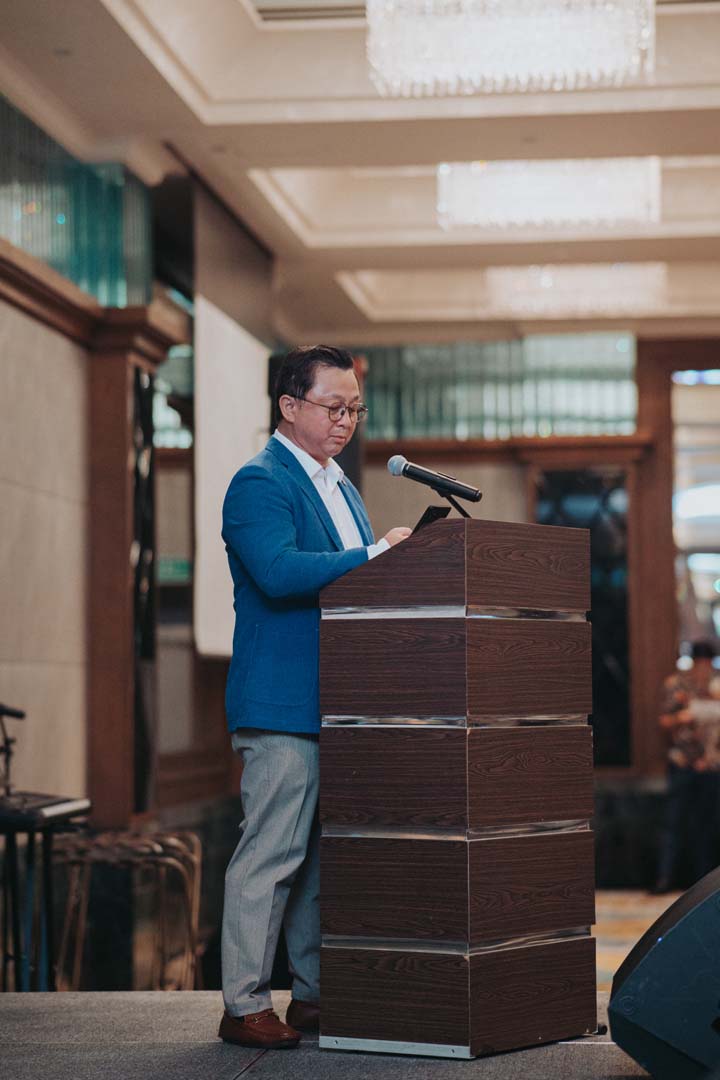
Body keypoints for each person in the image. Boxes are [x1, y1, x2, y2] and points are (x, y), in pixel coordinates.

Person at [217, 345, 412, 1049]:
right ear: (289, 406)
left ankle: (311, 995)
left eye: (355, 409)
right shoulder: (259, 481)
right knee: (270, 856)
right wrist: (374, 555)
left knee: (320, 863)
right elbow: (277, 572)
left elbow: (356, 585)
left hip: (339, 701)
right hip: (280, 704)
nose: (346, 421)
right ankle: (244, 1004)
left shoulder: (343, 487)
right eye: (334, 407)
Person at [653, 640, 720, 893]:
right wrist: (682, 718)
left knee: (708, 826)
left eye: (707, 663)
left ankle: (704, 885)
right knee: (673, 822)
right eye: (699, 663)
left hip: (711, 766)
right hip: (682, 762)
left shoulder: (717, 685)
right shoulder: (676, 684)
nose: (703, 668)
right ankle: (665, 878)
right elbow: (663, 722)